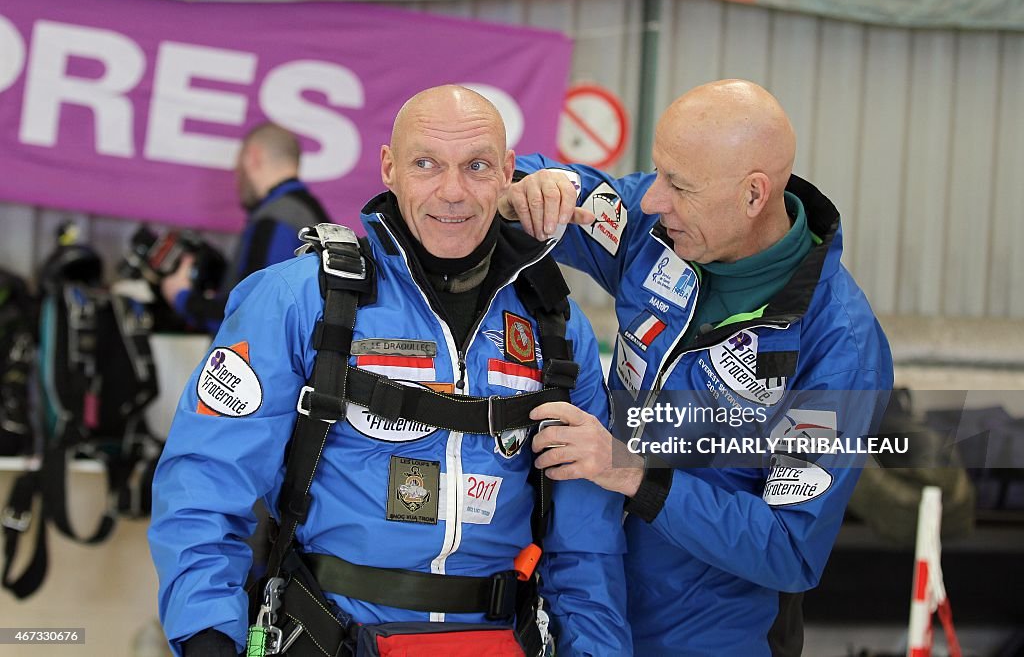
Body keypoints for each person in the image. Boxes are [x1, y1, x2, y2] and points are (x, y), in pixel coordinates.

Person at [149, 85, 631, 657]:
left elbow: (587, 542)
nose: (452, 192)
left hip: (499, 639)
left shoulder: (555, 326)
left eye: (477, 166)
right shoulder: (301, 300)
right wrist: (207, 640)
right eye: (426, 164)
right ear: (389, 169)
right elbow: (204, 486)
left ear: (507, 173)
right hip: (327, 635)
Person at [504, 79, 894, 656]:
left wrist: (631, 474)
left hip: (713, 639)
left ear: (754, 195)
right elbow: (568, 190)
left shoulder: (838, 346)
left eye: (678, 185)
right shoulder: (656, 232)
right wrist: (530, 189)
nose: (652, 199)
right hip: (586, 615)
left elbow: (789, 546)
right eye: (658, 172)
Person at [160, 122, 330, 331]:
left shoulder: (276, 219)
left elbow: (251, 315)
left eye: (238, 167)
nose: (237, 178)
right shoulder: (311, 214)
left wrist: (181, 297)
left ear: (252, 157)